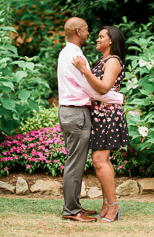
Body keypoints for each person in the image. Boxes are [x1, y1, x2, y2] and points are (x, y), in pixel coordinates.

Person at [72, 26, 129, 223]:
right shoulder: (103, 60)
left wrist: (84, 71)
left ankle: (113, 206)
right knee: (100, 162)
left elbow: (104, 88)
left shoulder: (113, 61)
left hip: (107, 114)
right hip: (98, 113)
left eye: (101, 36)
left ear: (111, 40)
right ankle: (107, 203)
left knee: (99, 161)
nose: (97, 39)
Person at [57, 17, 101, 222]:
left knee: (74, 161)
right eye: (86, 30)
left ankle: (74, 206)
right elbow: (90, 87)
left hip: (69, 111)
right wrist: (115, 97)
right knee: (75, 163)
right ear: (77, 31)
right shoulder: (75, 55)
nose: (88, 33)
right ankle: (71, 211)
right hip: (76, 113)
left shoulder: (66, 53)